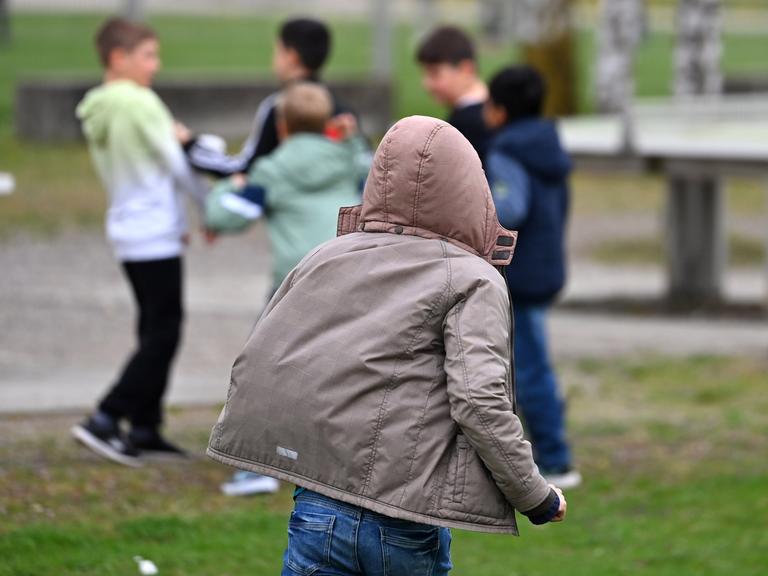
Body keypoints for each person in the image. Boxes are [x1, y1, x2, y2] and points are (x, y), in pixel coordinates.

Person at [207, 116, 568, 575]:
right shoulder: (475, 279)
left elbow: (267, 356)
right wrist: (535, 495)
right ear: (473, 190)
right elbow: (479, 400)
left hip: (318, 504)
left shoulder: (330, 255)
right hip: (403, 521)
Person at [207, 82, 368, 496]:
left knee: (266, 371)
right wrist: (354, 142)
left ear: (281, 126)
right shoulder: (351, 162)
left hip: (295, 284)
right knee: (342, 370)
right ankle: (345, 459)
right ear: (329, 124)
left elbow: (228, 217)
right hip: (349, 274)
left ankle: (258, 466)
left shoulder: (271, 172)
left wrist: (231, 186)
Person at [71, 18, 208, 466]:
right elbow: (177, 164)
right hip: (153, 232)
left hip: (129, 228)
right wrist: (208, 210)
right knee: (164, 331)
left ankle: (145, 427)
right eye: (147, 54)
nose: (157, 64)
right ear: (118, 58)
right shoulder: (141, 102)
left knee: (154, 326)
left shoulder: (99, 106)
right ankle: (106, 418)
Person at [483, 65, 581, 489]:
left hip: (519, 274)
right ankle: (538, 451)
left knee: (528, 368)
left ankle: (556, 459)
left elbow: (510, 210)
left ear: (500, 110)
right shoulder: (548, 144)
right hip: (545, 267)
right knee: (528, 363)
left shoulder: (507, 150)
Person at [179, 17, 359, 177]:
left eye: (277, 50)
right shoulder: (345, 114)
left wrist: (191, 146)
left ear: (291, 57)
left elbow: (245, 169)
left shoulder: (280, 108)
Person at [416, 26, 491, 164]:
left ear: (466, 70)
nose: (426, 83)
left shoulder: (467, 125)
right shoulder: (490, 112)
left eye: (435, 73)